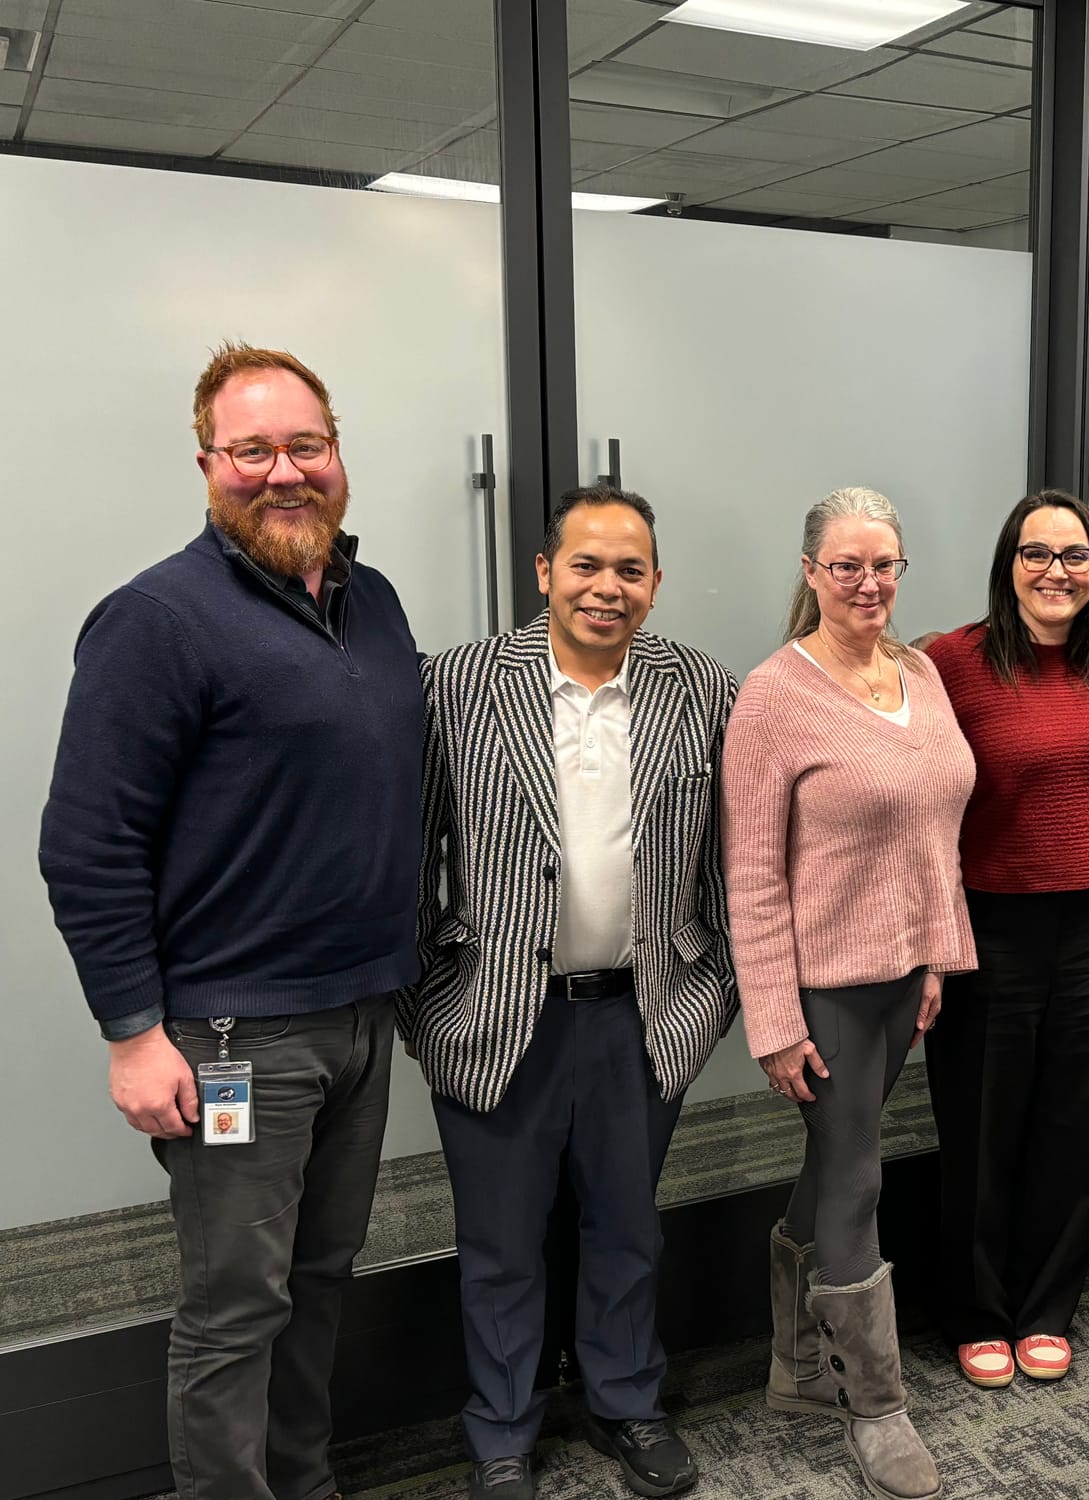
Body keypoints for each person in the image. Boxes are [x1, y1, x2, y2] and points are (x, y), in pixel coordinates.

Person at [39, 343, 422, 1500]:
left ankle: (300, 1484)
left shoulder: (373, 598)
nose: (282, 471)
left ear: (337, 454)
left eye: (304, 445)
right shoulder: (157, 619)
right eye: (250, 450)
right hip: (232, 1040)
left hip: (361, 1015)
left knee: (321, 1278)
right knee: (235, 1307)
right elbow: (86, 843)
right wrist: (130, 1031)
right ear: (208, 463)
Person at [399, 486, 736, 1500]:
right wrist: (428, 1001)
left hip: (642, 1017)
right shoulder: (455, 684)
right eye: (585, 564)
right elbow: (410, 857)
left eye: (629, 569)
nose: (607, 586)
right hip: (498, 1019)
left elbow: (729, 863)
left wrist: (708, 994)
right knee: (499, 1242)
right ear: (543, 572)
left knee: (627, 1228)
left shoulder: (703, 689)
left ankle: (624, 1401)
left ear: (655, 584)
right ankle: (501, 1429)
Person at [723, 487, 975, 1500]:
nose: (867, 582)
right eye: (845, 566)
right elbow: (749, 869)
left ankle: (794, 1355)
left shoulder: (916, 673)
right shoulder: (773, 695)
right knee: (856, 1174)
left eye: (884, 564)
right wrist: (774, 1023)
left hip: (900, 977)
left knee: (837, 1165)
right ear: (810, 573)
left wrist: (931, 958)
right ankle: (874, 1406)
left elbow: (935, 829)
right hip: (822, 987)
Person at [921, 491, 1089, 1389]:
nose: (1057, 571)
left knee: (1071, 1119)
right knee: (982, 1120)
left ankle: (1047, 1305)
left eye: (1076, 556)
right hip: (988, 922)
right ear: (1008, 562)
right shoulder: (950, 662)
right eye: (1038, 553)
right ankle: (978, 1311)